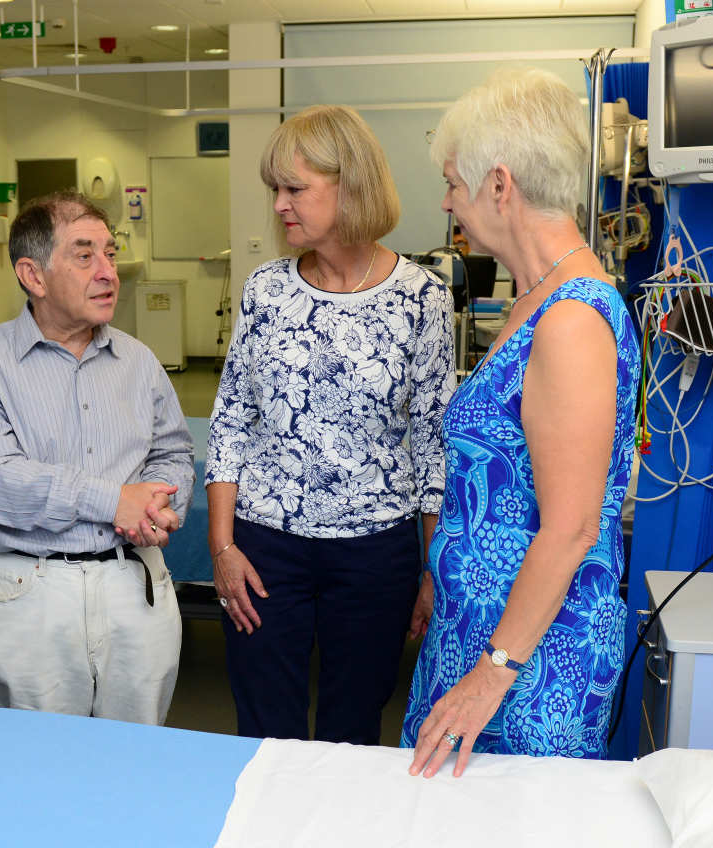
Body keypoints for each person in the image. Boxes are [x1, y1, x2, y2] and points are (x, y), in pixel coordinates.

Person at [404, 67, 640, 775]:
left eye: (454, 183)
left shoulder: (570, 320)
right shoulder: (535, 300)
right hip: (479, 636)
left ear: (500, 185)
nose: (448, 204)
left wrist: (491, 673)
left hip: (531, 663)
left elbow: (570, 529)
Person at [207, 105, 453, 745]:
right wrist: (223, 547)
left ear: (351, 185)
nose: (281, 205)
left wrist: (432, 570)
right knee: (266, 726)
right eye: (276, 191)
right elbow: (231, 420)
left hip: (375, 552)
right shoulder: (266, 289)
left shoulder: (422, 297)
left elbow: (431, 441)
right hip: (265, 546)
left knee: (354, 729)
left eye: (295, 188)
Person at [0, 191, 193, 725]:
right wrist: (114, 502)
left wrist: (156, 505)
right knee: (42, 771)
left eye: (110, 252)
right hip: (35, 592)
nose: (109, 271)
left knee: (136, 758)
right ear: (33, 276)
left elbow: (173, 450)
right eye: (85, 256)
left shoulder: (140, 361)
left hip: (136, 584)